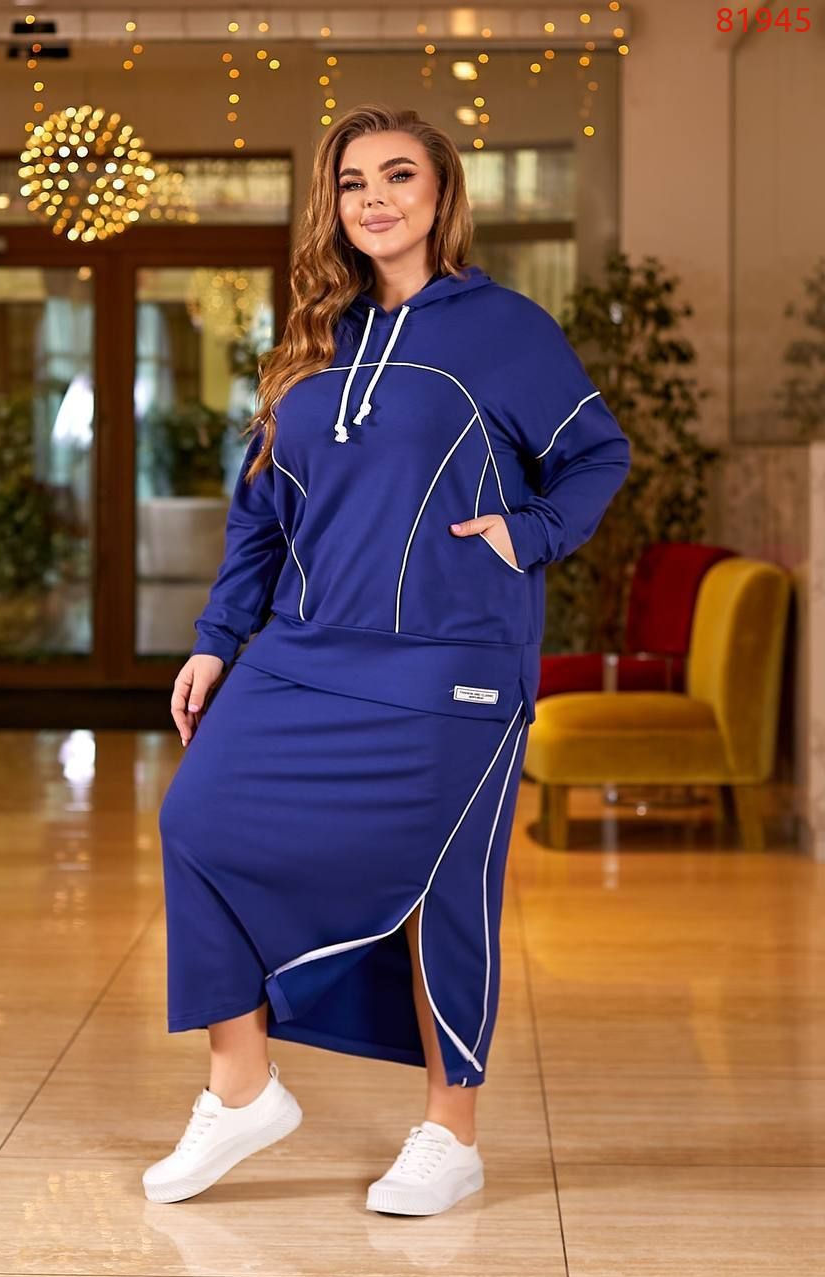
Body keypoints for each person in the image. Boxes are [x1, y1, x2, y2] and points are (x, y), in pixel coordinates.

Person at [143, 103, 631, 1216]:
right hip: (302, 651)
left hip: (452, 662)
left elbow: (597, 455)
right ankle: (241, 1085)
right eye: (353, 181)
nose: (375, 198)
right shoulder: (312, 337)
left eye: (399, 175)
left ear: (441, 194)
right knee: (197, 821)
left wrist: (529, 533)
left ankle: (451, 1132)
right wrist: (218, 641)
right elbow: (261, 516)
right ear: (334, 205)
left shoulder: (504, 329)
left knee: (447, 890)